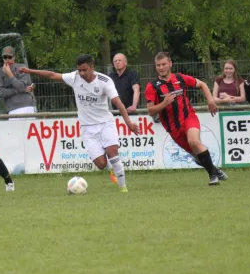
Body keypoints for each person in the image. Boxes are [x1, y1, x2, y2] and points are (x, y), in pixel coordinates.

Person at [20, 54, 140, 193]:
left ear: (92, 67)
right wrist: (30, 71)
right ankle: (110, 170)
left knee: (113, 153)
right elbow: (52, 75)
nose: (81, 73)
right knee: (101, 164)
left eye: (84, 70)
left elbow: (119, 104)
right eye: (79, 70)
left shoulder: (104, 81)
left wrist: (129, 123)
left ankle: (123, 188)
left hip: (105, 123)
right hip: (88, 128)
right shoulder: (75, 77)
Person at [145, 52, 227, 186]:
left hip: (188, 117)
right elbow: (150, 110)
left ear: (170, 64)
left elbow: (202, 85)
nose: (161, 67)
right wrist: (164, 103)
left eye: (164, 64)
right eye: (158, 65)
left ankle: (212, 176)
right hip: (173, 128)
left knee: (194, 141)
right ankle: (214, 169)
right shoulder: (152, 86)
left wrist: (210, 101)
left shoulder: (179, 78)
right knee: (197, 156)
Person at [0, 46, 37, 116]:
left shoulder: (22, 67)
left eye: (9, 57)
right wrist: (17, 90)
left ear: (14, 57)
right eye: (5, 57)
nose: (7, 59)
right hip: (13, 109)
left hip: (27, 106)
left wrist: (9, 73)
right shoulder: (0, 72)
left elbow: (21, 87)